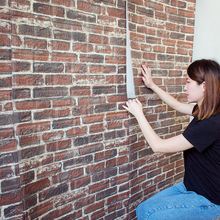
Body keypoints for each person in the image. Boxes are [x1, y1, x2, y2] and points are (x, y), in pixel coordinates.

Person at [123, 59, 220, 220]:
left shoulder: (211, 124)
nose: (185, 87)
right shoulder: (203, 111)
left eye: (188, 82)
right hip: (190, 187)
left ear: (204, 86)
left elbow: (158, 146)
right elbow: (177, 105)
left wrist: (138, 113)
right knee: (142, 210)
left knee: (148, 214)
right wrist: (152, 85)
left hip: (208, 198)